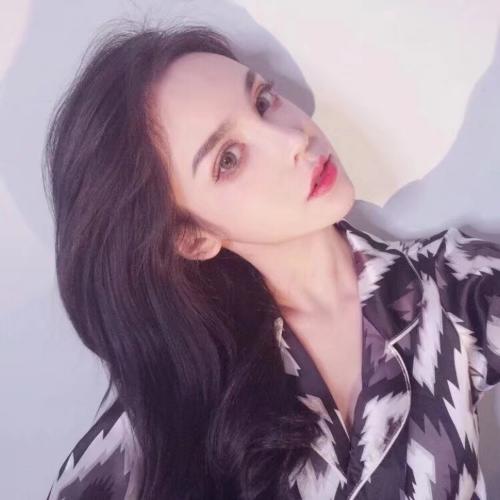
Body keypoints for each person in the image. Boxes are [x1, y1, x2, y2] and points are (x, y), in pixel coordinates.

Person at [43, 21, 500, 500]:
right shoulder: (162, 429)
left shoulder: (447, 288)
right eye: (229, 159)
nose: (292, 139)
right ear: (194, 238)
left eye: (263, 101)